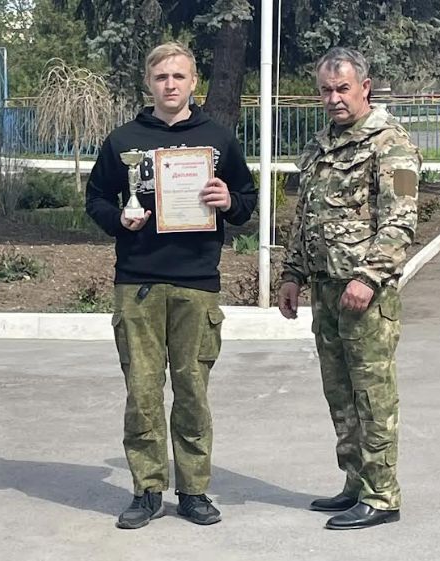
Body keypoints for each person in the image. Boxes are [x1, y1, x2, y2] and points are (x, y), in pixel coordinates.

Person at [86, 41, 256, 529]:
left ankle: (194, 490)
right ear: (149, 82)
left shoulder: (217, 139)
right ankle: (147, 490)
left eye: (179, 76)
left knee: (192, 391)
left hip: (196, 283)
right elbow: (96, 199)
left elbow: (246, 201)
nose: (170, 85)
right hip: (137, 281)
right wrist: (119, 219)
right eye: (161, 77)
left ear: (193, 82)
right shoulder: (123, 140)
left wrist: (228, 199)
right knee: (142, 393)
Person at [278, 47, 421, 530]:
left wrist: (368, 277)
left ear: (365, 87)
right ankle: (356, 482)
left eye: (342, 88)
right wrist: (292, 275)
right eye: (325, 90)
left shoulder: (393, 143)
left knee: (373, 395)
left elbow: (401, 220)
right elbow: (305, 219)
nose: (334, 98)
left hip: (366, 296)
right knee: (339, 393)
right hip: (325, 291)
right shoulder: (320, 145)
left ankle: (382, 495)